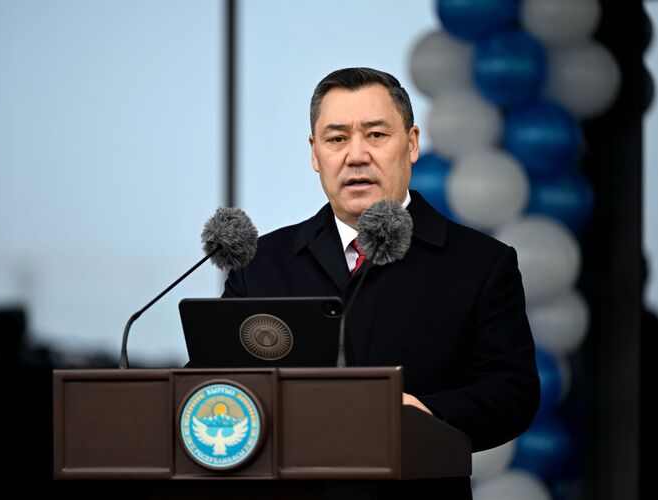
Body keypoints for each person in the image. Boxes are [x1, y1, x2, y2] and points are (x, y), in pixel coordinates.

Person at [222, 67, 540, 498]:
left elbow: (512, 392)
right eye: (336, 139)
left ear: (412, 143)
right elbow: (217, 383)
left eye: (375, 135)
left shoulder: (480, 262)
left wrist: (424, 412)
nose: (356, 156)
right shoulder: (261, 262)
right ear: (315, 153)